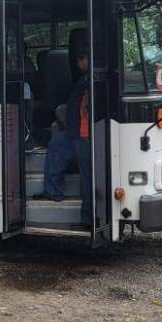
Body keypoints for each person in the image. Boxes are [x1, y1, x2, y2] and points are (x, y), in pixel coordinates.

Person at [65, 51, 93, 226]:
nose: (78, 64)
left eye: (80, 59)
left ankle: (87, 218)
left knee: (87, 178)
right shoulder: (86, 80)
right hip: (79, 133)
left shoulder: (88, 82)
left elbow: (85, 108)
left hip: (83, 135)